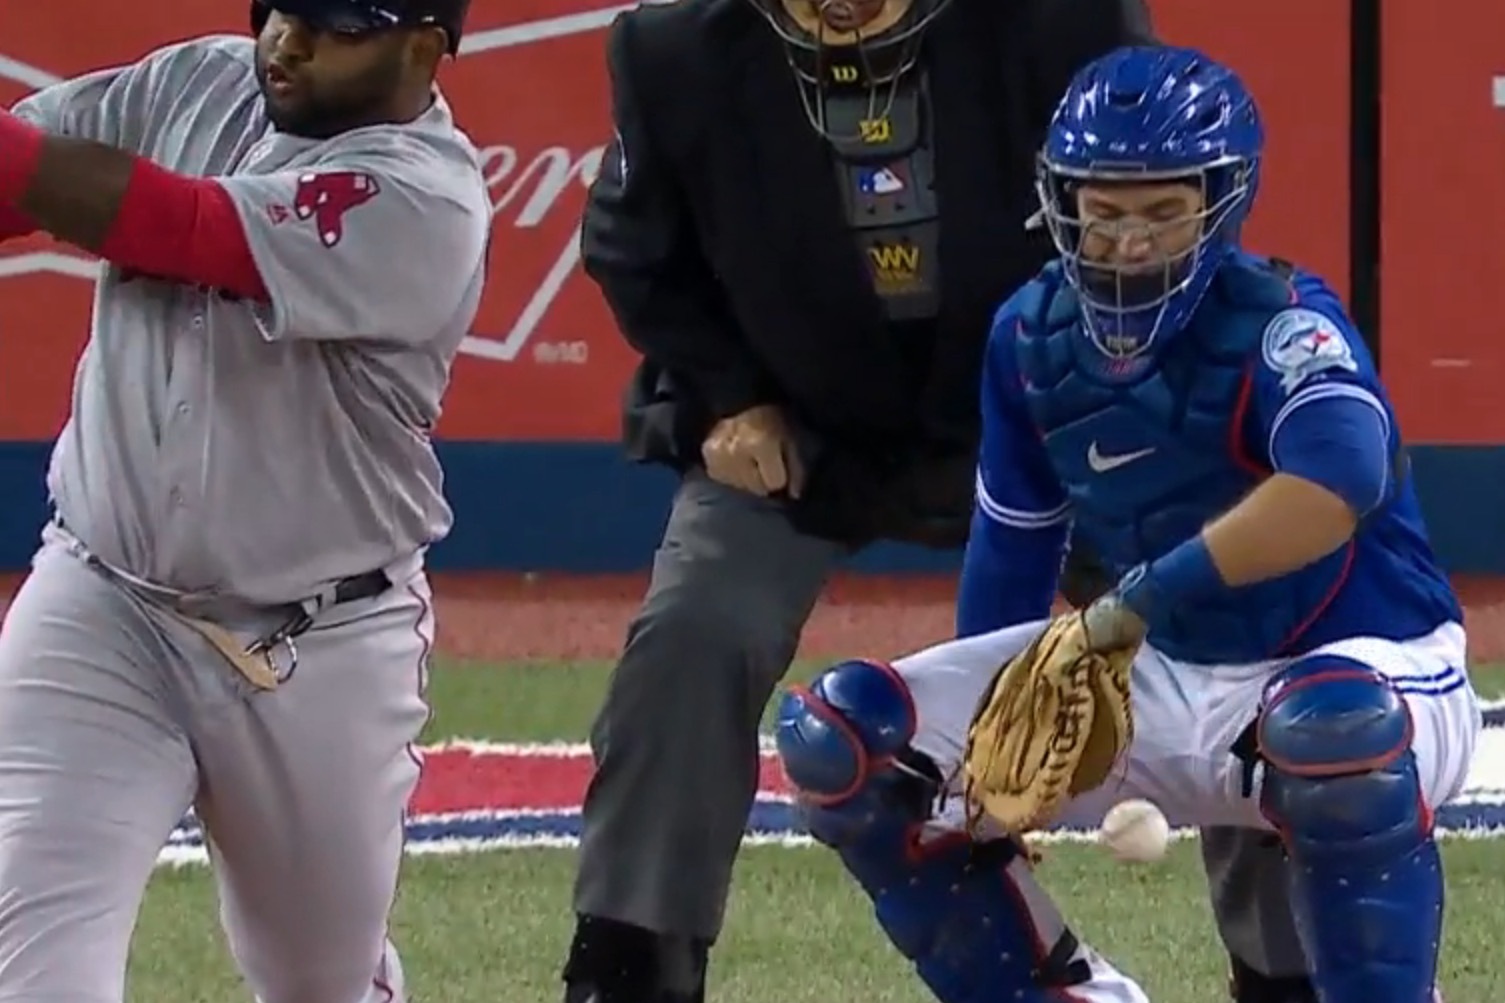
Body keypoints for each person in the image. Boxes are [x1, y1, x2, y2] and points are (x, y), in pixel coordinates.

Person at [569, 1, 1319, 999]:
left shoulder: (1068, 24)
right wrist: (726, 399)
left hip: (1067, 406)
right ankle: (630, 961)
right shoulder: (668, 50)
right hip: (807, 423)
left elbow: (1177, 220)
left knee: (1236, 626)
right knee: (693, 631)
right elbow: (634, 252)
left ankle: (1292, 971)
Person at [775, 43, 1476, 1003]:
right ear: (1061, 200)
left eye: (1161, 211)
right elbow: (1016, 536)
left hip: (1362, 658)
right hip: (1155, 666)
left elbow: (1331, 487)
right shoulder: (1028, 336)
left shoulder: (1286, 322)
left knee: (1332, 735)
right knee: (845, 737)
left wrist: (1135, 600)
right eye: (1102, 210)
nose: (1128, 240)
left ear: (1219, 205)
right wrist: (997, 740)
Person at [0, 1, 486, 1000]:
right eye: (282, 7)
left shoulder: (425, 198)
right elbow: (22, 175)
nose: (289, 39)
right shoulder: (197, 82)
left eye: (338, 23)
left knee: (317, 981)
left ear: (424, 49)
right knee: (28, 961)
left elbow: (179, 226)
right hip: (103, 602)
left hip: (318, 644)